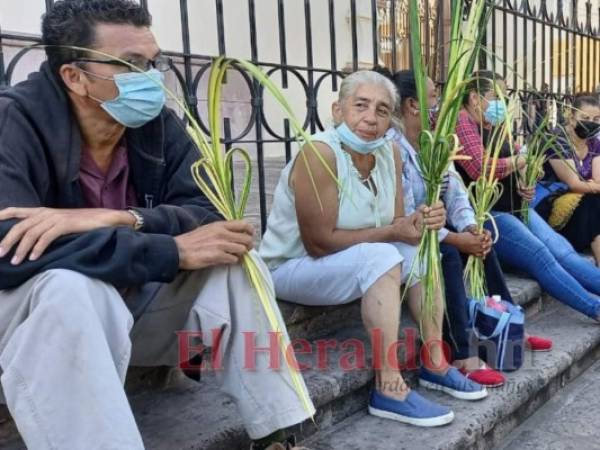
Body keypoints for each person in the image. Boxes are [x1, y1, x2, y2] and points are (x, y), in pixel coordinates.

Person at [0, 1, 314, 449]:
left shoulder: (154, 124)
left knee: (232, 259)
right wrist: (169, 250)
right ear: (74, 76)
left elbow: (208, 213)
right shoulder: (14, 121)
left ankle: (280, 432)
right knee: (71, 289)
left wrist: (125, 218)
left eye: (152, 62)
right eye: (130, 65)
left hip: (126, 313)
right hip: (33, 328)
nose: (150, 79)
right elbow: (9, 252)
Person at [259, 70, 487, 428]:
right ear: (337, 110)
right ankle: (389, 387)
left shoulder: (389, 152)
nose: (370, 118)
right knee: (382, 256)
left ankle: (434, 361)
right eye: (360, 105)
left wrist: (421, 222)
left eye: (382, 110)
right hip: (293, 266)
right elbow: (318, 244)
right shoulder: (319, 154)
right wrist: (394, 230)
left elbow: (396, 224)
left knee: (423, 251)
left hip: (348, 261)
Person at [382, 69, 551, 388]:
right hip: (401, 233)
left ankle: (508, 324)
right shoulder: (393, 148)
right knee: (446, 251)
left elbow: (455, 191)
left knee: (481, 234)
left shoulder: (434, 142)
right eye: (434, 96)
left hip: (431, 224)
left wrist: (470, 227)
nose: (441, 102)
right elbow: (403, 217)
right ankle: (462, 351)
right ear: (412, 105)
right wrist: (456, 238)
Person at [455, 71, 600, 322]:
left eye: (504, 94)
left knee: (563, 252)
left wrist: (525, 184)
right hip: (488, 214)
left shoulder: (493, 125)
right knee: (542, 256)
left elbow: (513, 166)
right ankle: (595, 308)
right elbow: (480, 168)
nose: (502, 102)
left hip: (516, 205)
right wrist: (519, 160)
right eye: (496, 95)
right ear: (475, 98)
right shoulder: (462, 121)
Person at [535, 94, 600, 266]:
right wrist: (590, 185)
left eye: (596, 119)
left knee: (593, 201)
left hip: (583, 210)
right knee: (593, 202)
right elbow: (573, 184)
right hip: (554, 213)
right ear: (571, 118)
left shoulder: (594, 144)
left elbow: (597, 180)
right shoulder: (558, 140)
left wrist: (590, 186)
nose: (591, 122)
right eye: (585, 118)